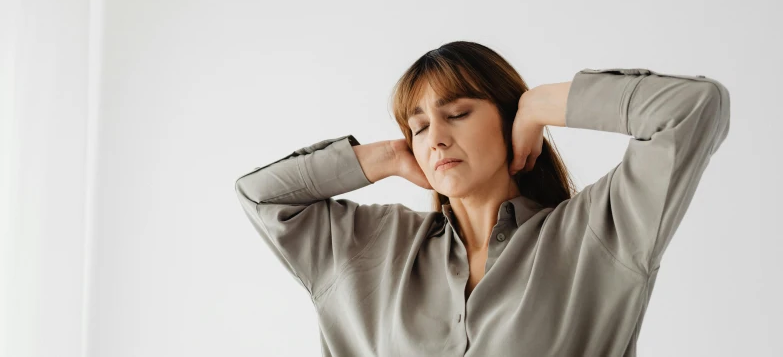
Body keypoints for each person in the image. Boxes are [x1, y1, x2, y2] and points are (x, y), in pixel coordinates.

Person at [235, 40, 730, 356]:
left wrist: (539, 104)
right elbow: (262, 197)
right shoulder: (371, 248)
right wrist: (384, 157)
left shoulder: (598, 235)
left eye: (458, 113)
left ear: (506, 118)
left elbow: (693, 108)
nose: (436, 139)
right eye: (420, 126)